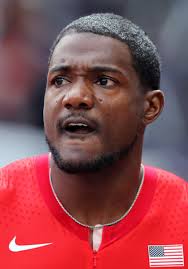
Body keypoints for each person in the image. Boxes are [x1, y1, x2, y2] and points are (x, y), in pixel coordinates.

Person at [0, 13, 187, 268]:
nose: (75, 97)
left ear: (150, 107)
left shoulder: (182, 214)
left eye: (104, 81)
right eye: (60, 80)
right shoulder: (5, 204)